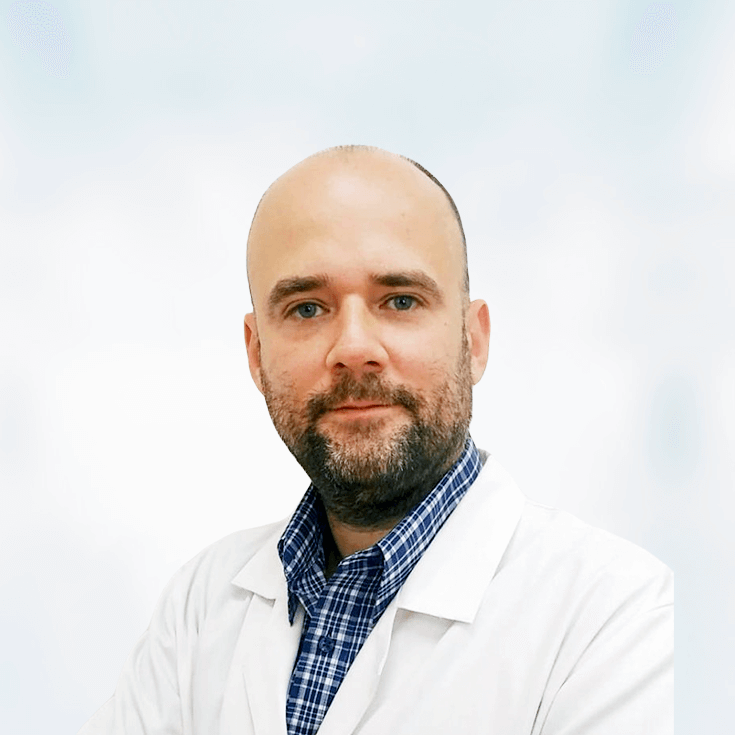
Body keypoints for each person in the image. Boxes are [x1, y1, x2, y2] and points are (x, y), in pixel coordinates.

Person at [79, 145, 673, 735]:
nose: (354, 348)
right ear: (256, 355)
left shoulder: (618, 618)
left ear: (474, 341)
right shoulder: (200, 607)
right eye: (307, 309)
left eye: (400, 300)